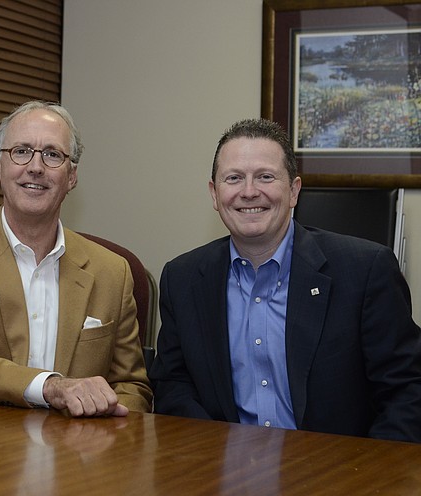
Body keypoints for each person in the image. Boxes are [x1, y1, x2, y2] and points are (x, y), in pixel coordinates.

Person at [151, 117, 421, 442]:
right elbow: (172, 387)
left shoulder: (364, 271)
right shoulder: (182, 279)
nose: (249, 192)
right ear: (214, 193)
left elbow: (408, 391)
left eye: (265, 177)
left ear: (293, 191)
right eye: (234, 178)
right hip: (222, 476)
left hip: (340, 476)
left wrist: (366, 475)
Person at [0, 100, 152, 417]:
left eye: (52, 154)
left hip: (83, 455)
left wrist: (108, 438)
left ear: (72, 176)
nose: (36, 167)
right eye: (21, 151)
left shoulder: (113, 271)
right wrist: (52, 387)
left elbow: (132, 387)